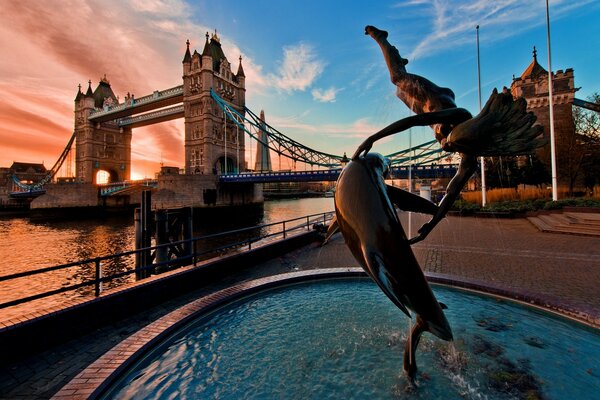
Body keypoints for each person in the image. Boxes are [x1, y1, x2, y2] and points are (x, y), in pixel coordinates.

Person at [356, 26, 543, 243]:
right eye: (447, 137)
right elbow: (413, 122)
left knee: (399, 90)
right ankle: (382, 37)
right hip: (433, 98)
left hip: (420, 108)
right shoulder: (460, 114)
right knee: (397, 77)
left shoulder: (470, 155)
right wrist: (373, 138)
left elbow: (452, 192)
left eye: (450, 147)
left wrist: (431, 226)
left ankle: (398, 57)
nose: (444, 145)